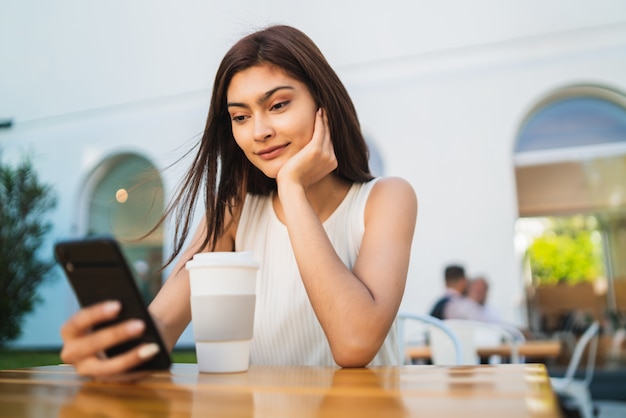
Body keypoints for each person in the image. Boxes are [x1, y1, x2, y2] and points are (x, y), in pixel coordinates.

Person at [59, 25, 418, 379]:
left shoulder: (386, 199)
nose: (259, 132)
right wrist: (113, 344)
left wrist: (291, 188)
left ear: (323, 105)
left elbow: (354, 343)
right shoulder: (236, 209)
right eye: (241, 117)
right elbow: (164, 322)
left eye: (278, 105)